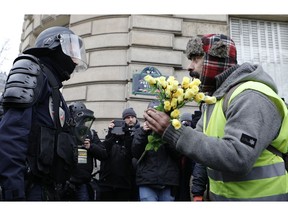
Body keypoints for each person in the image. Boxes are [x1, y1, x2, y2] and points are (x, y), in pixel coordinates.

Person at [143, 34, 288, 201]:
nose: (190, 67)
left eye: (196, 59)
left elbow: (238, 157)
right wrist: (163, 127)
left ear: (216, 58)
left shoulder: (251, 95)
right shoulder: (214, 100)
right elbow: (199, 148)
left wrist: (173, 131)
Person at [0, 26, 88, 200]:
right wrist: (14, 193)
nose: (75, 59)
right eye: (71, 50)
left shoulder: (54, 87)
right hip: (30, 187)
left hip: (49, 189)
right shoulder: (31, 72)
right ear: (53, 46)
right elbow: (11, 137)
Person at [132, 100, 180, 201]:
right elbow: (136, 153)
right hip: (147, 181)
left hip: (167, 181)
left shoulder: (171, 132)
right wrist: (143, 133)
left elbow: (178, 154)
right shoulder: (140, 132)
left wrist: (166, 135)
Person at [63, 101, 106, 201]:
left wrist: (90, 146)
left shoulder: (90, 133)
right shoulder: (65, 131)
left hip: (83, 183)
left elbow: (103, 153)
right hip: (66, 181)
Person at [98, 107, 140, 201]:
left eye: (132, 117)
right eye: (127, 117)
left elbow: (131, 153)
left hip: (126, 182)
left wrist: (127, 134)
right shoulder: (113, 135)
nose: (130, 119)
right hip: (107, 182)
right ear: (123, 120)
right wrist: (110, 133)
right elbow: (104, 152)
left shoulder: (139, 133)